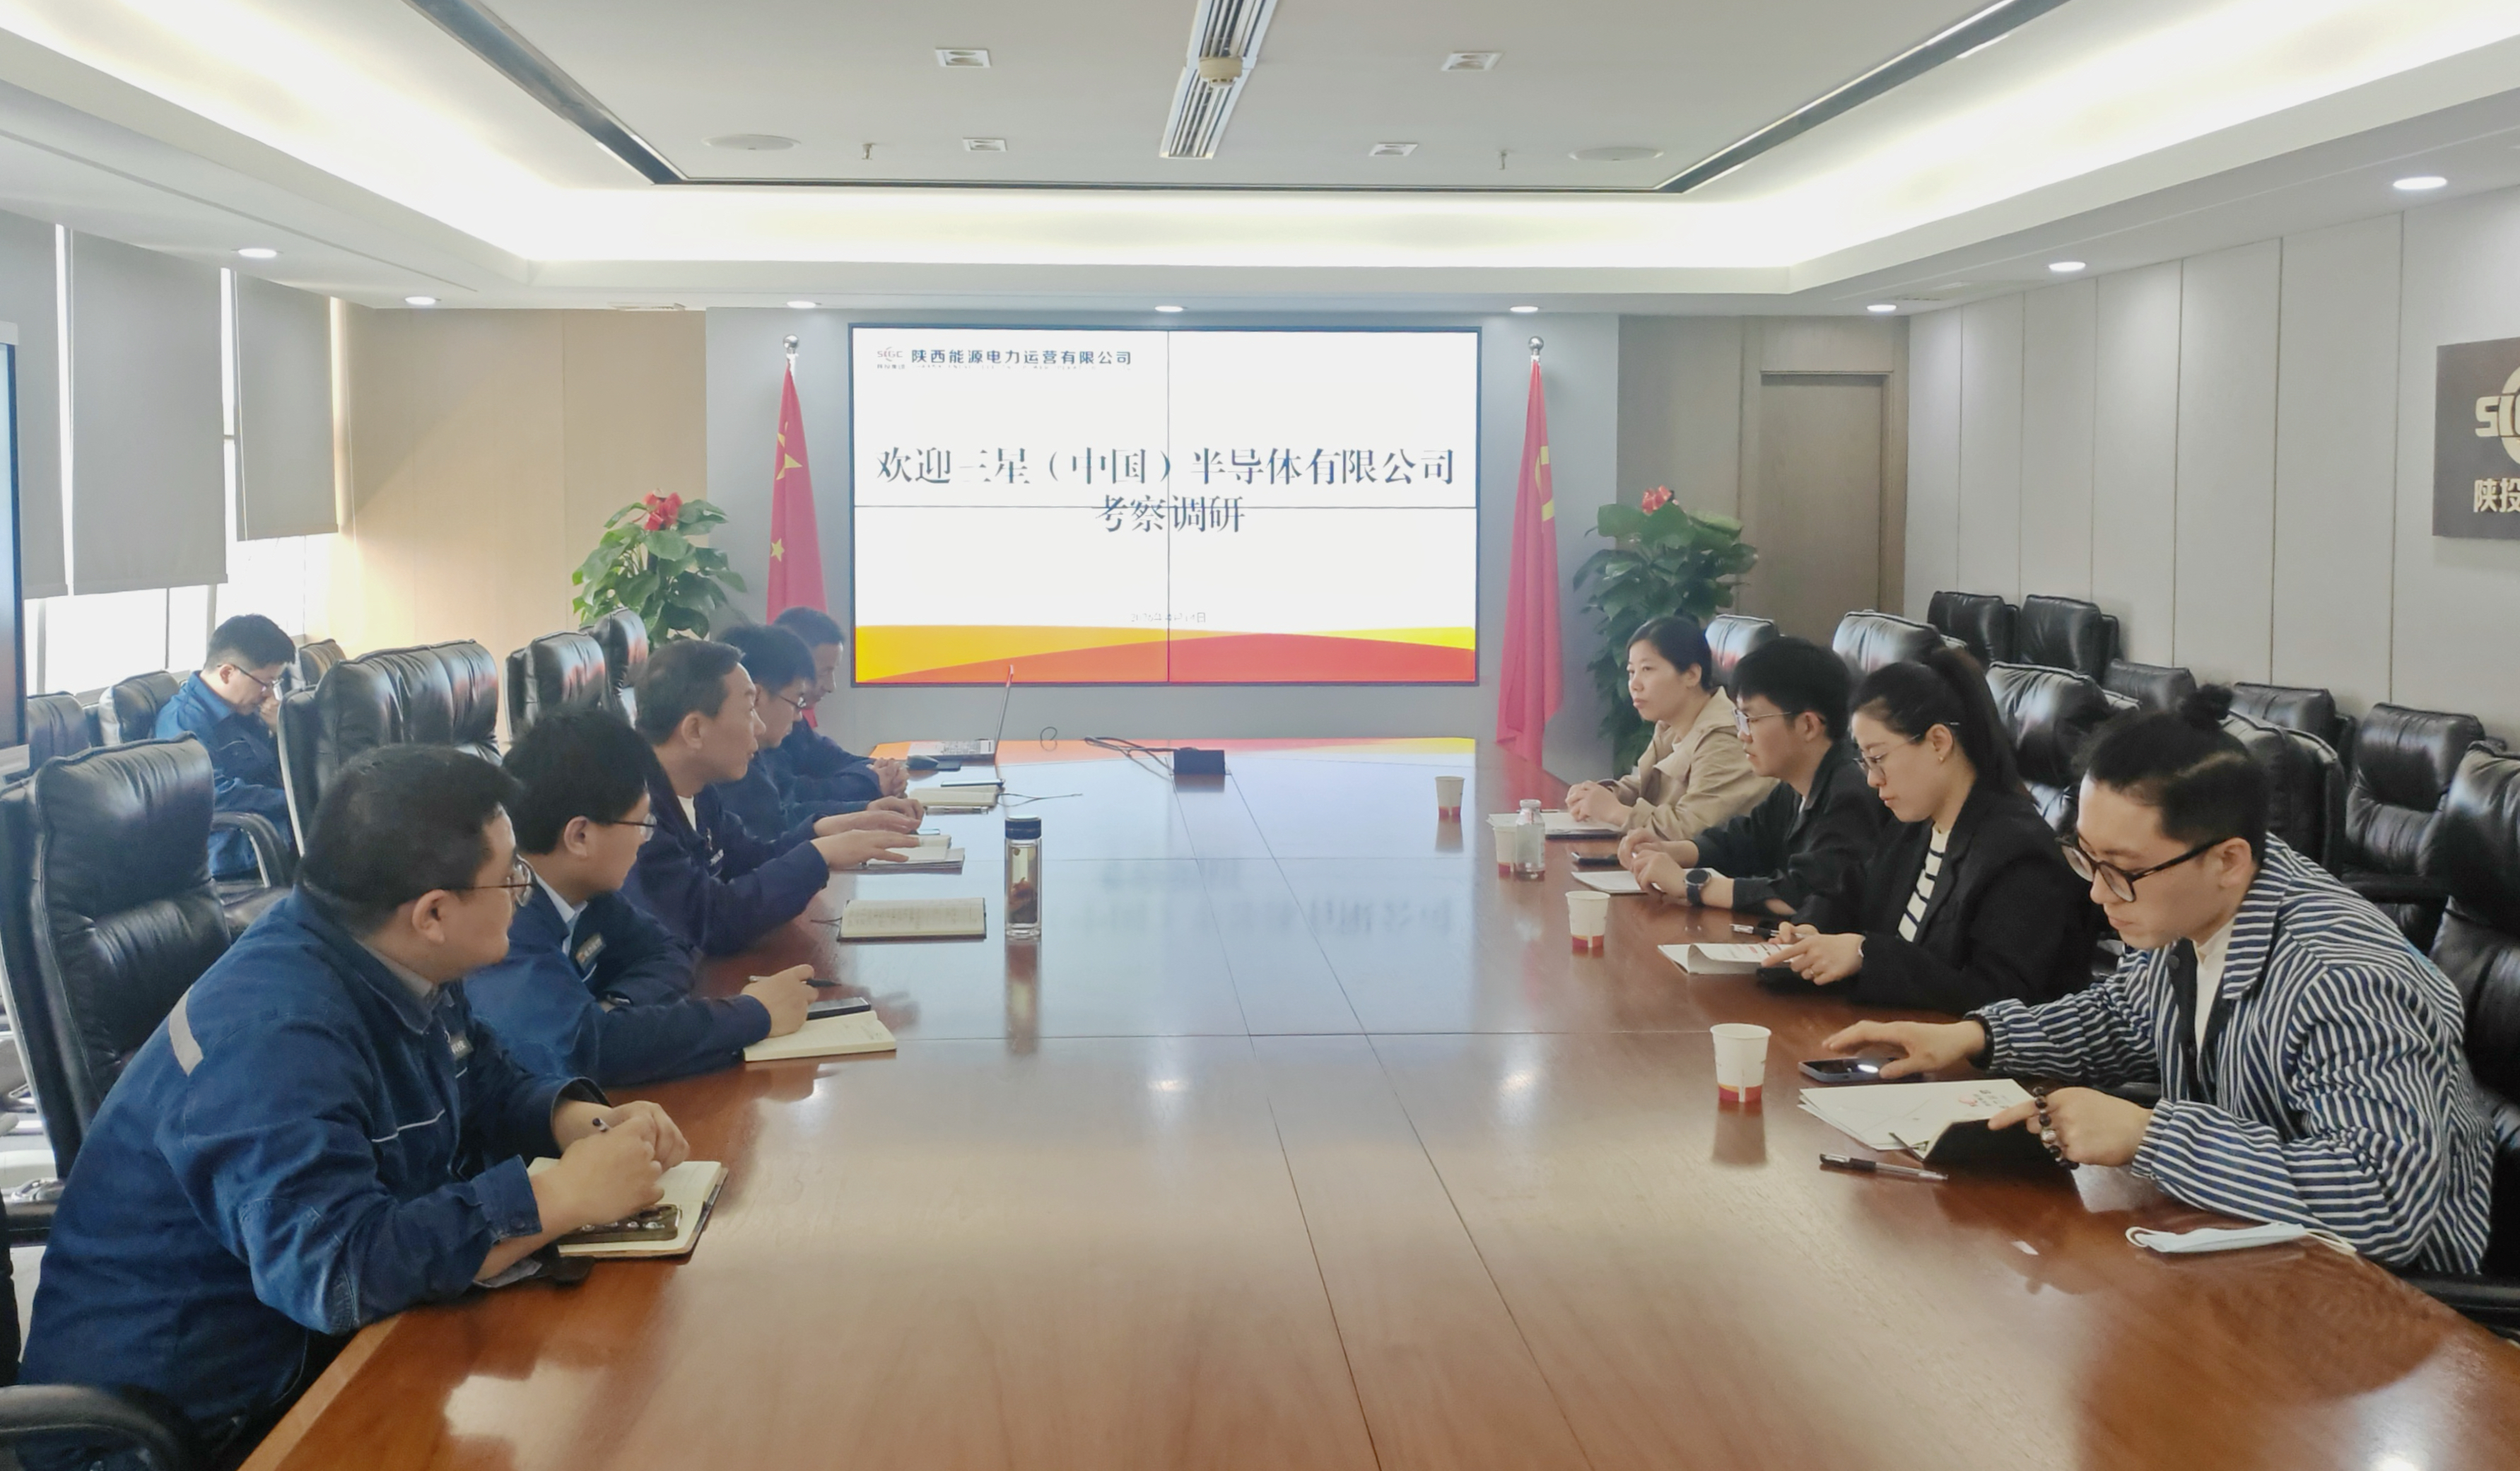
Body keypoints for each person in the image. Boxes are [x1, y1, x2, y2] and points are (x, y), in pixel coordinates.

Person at [18, 746, 688, 1467]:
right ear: (433, 912)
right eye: (510, 876)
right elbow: (337, 1270)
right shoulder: (274, 1037)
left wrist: (575, 1121)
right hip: (180, 1434)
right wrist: (556, 1197)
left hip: (307, 1364)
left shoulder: (391, 952)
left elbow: (483, 1077)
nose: (523, 891)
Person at [1828, 688, 2492, 1272]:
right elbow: (2125, 1016)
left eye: (2121, 869)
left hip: (2393, 1307)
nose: (2097, 893)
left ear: (2228, 860)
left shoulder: (2342, 978)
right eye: (2086, 858)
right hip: (2248, 1246)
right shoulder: (2189, 901)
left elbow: (2382, 1203)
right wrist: (1978, 1037)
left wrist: (2150, 1135)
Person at [467, 708, 820, 1087]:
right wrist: (753, 1014)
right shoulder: (503, 924)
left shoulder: (590, 893)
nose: (644, 839)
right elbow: (587, 1052)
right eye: (641, 824)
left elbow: (673, 948)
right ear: (580, 837)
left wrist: (619, 1006)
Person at [1765, 647, 2099, 1013]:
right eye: (1865, 762)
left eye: (1878, 758)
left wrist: (1864, 954)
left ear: (1939, 742)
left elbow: (1998, 994)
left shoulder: (2020, 854)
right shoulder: (1915, 825)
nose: (1873, 780)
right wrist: (1812, 928)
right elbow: (1850, 891)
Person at [622, 638, 918, 955]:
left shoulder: (700, 791)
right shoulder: (635, 819)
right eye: (749, 711)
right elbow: (712, 921)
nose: (759, 727)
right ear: (694, 730)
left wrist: (822, 831)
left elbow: (748, 858)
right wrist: (818, 855)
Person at [1619, 635, 1887, 918]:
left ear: (1808, 725)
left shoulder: (1850, 795)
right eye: (1739, 719)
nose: (1742, 734)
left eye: (1752, 720)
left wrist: (1692, 886)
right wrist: (1670, 850)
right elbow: (1744, 842)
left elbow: (1805, 895)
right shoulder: (1795, 785)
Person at [1564, 614, 1770, 840]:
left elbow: (1693, 831)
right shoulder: (1671, 724)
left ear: (1691, 675)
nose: (1634, 684)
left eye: (1647, 669)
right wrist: (1607, 793)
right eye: (1632, 672)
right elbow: (1649, 785)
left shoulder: (1725, 737)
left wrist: (1615, 812)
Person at [717, 623, 920, 840]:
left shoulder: (769, 735)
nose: (799, 716)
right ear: (756, 697)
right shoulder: (728, 759)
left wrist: (866, 809)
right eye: (798, 700)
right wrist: (867, 795)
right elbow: (778, 826)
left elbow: (783, 817)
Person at [154, 613, 298, 877]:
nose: (268, 694)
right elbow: (214, 794)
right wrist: (292, 800)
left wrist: (282, 733)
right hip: (234, 846)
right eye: (265, 683)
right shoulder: (183, 721)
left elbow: (270, 770)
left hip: (271, 826)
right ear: (227, 673)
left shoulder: (244, 709)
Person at [770, 605, 910, 802]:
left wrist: (887, 772)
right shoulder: (764, 724)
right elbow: (794, 795)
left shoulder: (796, 722)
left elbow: (836, 760)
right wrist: (871, 781)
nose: (831, 686)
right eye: (823, 673)